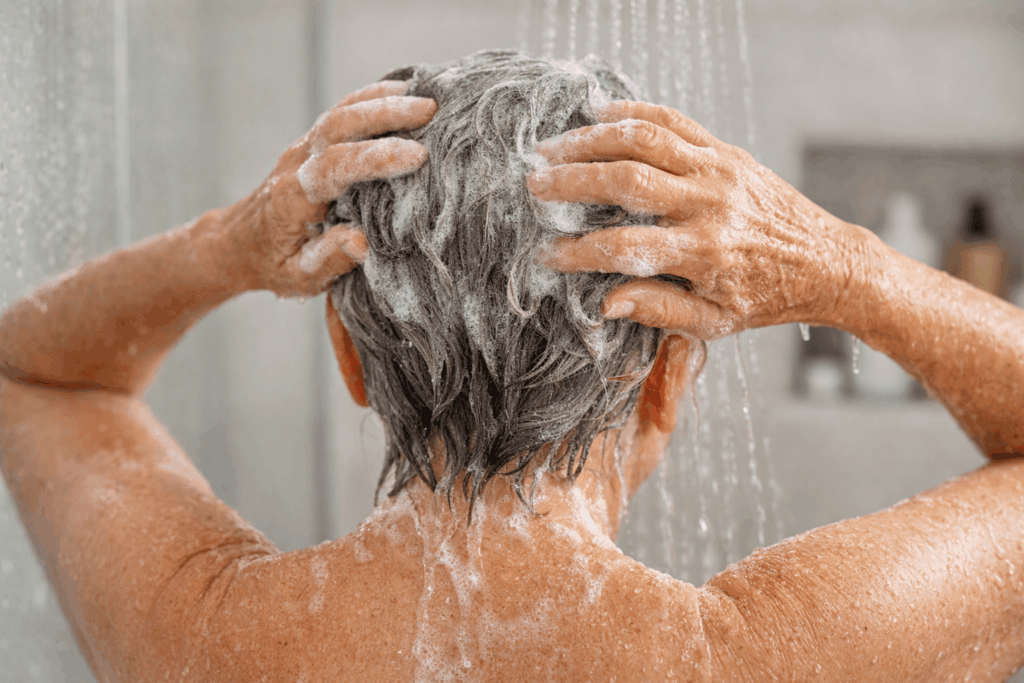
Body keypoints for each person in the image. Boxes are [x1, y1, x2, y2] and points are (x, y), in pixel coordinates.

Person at [1, 50, 1022, 682]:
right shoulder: (777, 658)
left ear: (350, 357)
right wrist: (844, 267)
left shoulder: (199, 637)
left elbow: (39, 370)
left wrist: (228, 243)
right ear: (663, 376)